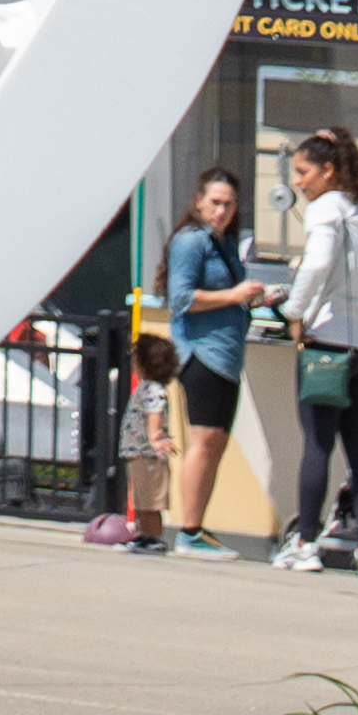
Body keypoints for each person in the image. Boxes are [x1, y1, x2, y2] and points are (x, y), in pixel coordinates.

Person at [86, 168, 262, 549]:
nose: (222, 211)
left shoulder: (224, 244)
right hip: (202, 354)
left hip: (228, 355)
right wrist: (234, 296)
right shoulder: (191, 241)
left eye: (229, 205)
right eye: (215, 203)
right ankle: (189, 531)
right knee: (203, 439)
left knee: (215, 442)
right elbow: (181, 299)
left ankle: (197, 525)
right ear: (198, 201)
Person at [275, 128, 358, 570]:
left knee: (318, 444)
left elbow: (320, 261)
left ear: (329, 171)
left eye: (304, 173)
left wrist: (294, 310)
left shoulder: (326, 209)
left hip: (327, 343)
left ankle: (306, 544)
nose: (298, 183)